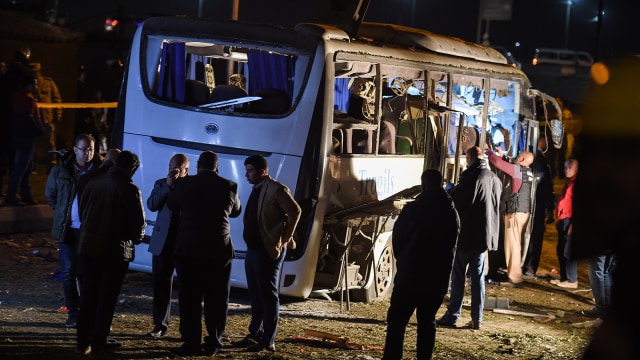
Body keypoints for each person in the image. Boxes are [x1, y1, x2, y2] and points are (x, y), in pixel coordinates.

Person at [166, 151, 241, 356]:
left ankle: (191, 343)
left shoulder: (186, 184)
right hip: (219, 250)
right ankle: (214, 341)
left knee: (190, 298)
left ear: (198, 166)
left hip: (189, 249)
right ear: (217, 167)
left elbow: (172, 205)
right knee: (217, 298)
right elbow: (235, 211)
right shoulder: (230, 185)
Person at [382, 168, 459, 360]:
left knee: (397, 324)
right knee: (427, 323)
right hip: (436, 279)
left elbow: (398, 239)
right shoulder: (451, 212)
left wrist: (405, 260)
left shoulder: (413, 209)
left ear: (423, 185)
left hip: (410, 276)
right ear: (441, 184)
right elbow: (453, 244)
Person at [76, 150, 146, 355]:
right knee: (107, 297)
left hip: (88, 245)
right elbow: (137, 225)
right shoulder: (129, 189)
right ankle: (99, 339)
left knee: (88, 294)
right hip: (115, 251)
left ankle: (82, 339)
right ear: (132, 168)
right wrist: (136, 239)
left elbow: (82, 212)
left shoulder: (92, 182)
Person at [235, 154, 301, 353]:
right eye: (247, 170)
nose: (246, 175)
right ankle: (256, 333)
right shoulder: (258, 188)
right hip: (254, 249)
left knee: (268, 295)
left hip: (267, 250)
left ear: (262, 172)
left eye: (250, 171)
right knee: (256, 293)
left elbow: (295, 211)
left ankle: (268, 339)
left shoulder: (276, 189)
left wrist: (284, 238)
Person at [436, 146, 501, 330]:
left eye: (466, 157)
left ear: (471, 157)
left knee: (458, 277)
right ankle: (477, 318)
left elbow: (456, 202)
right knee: (478, 278)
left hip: (466, 236)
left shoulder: (472, 177)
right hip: (483, 238)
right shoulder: (494, 178)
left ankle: (452, 316)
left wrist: (449, 189)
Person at [45, 133, 102, 328]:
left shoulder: (100, 170)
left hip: (90, 232)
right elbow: (50, 195)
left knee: (86, 274)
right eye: (84, 149)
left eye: (91, 149)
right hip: (68, 230)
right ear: (75, 150)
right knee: (69, 272)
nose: (87, 153)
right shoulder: (61, 170)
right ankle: (73, 312)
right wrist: (63, 213)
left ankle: (86, 312)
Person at [145, 153, 190, 338]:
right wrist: (168, 187)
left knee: (187, 287)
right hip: (162, 241)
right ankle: (160, 325)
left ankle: (187, 329)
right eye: (171, 167)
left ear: (186, 170)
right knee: (160, 285)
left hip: (183, 243)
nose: (173, 171)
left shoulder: (191, 186)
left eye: (177, 168)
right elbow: (152, 205)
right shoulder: (160, 183)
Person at [486, 146, 535, 287]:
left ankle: (515, 278)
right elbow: (507, 165)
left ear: (523, 159)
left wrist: (489, 151)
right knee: (516, 244)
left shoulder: (518, 170)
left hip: (514, 212)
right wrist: (503, 156)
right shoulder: (528, 172)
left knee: (512, 245)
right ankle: (515, 274)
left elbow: (499, 164)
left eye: (519, 155)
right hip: (524, 211)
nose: (517, 156)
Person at [3, 75, 42, 206]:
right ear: (29, 85)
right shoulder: (27, 99)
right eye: (34, 84)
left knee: (25, 168)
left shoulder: (16, 96)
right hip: (26, 138)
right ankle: (11, 196)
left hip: (19, 137)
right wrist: (39, 129)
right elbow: (28, 118)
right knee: (21, 169)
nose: (36, 87)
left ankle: (25, 195)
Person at [522, 136, 555, 278]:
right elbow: (548, 189)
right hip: (538, 207)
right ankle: (529, 267)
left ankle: (526, 266)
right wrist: (550, 208)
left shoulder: (535, 161)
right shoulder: (543, 164)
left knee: (530, 237)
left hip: (530, 205)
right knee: (535, 238)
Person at [551, 158, 579, 289]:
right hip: (563, 219)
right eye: (565, 167)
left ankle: (572, 279)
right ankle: (564, 277)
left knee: (568, 251)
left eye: (569, 167)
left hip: (570, 220)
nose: (566, 170)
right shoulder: (570, 182)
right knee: (561, 250)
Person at [29, 62, 62, 171]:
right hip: (34, 119)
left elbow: (57, 99)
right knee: (34, 143)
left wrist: (57, 114)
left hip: (47, 118)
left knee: (50, 142)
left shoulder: (48, 83)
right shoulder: (28, 84)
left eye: (35, 72)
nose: (34, 74)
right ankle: (32, 166)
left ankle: (51, 165)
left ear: (39, 71)